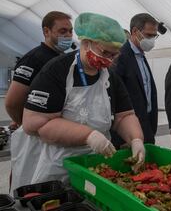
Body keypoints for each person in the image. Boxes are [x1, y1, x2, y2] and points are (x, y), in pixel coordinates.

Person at [21, 12, 145, 184]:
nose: (110, 60)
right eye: (105, 52)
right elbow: (36, 123)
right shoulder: (57, 70)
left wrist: (136, 139)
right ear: (86, 43)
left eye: (114, 55)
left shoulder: (109, 76)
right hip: (60, 166)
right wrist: (89, 136)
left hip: (98, 164)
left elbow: (125, 116)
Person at [5, 11, 73, 191]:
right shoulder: (34, 58)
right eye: (62, 31)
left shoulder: (63, 59)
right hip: (33, 136)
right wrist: (27, 124)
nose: (68, 36)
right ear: (46, 31)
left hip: (52, 135)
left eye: (70, 31)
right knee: (27, 179)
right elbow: (12, 102)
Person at [112, 13, 158, 146]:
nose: (152, 40)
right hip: (128, 132)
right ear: (134, 31)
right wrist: (124, 134)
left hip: (147, 125)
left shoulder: (141, 57)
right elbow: (116, 98)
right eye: (149, 35)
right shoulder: (120, 57)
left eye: (154, 36)